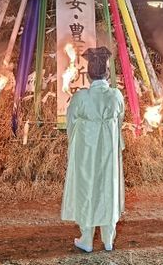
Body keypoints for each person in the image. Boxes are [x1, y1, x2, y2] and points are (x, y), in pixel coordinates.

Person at [61, 47, 125, 252]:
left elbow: (70, 123)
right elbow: (120, 121)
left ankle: (87, 238)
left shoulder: (81, 97)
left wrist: (75, 143)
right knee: (108, 186)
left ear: (88, 75)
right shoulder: (116, 95)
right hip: (108, 150)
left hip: (86, 151)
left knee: (86, 187)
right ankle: (108, 239)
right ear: (107, 74)